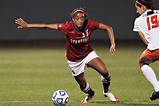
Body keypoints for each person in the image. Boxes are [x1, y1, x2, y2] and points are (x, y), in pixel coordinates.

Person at [15, 8, 118, 103]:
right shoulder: (67, 27)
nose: (80, 20)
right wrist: (28, 25)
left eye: (82, 18)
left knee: (104, 72)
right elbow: (46, 26)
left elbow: (108, 28)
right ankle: (91, 94)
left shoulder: (90, 24)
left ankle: (106, 91)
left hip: (88, 54)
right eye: (77, 18)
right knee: (82, 85)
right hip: (74, 60)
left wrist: (113, 43)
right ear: (73, 19)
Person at [133, 0, 159, 100]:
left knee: (142, 62)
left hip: (155, 48)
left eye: (137, 8)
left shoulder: (138, 21)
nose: (136, 11)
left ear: (143, 7)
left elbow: (145, 40)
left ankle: (157, 89)